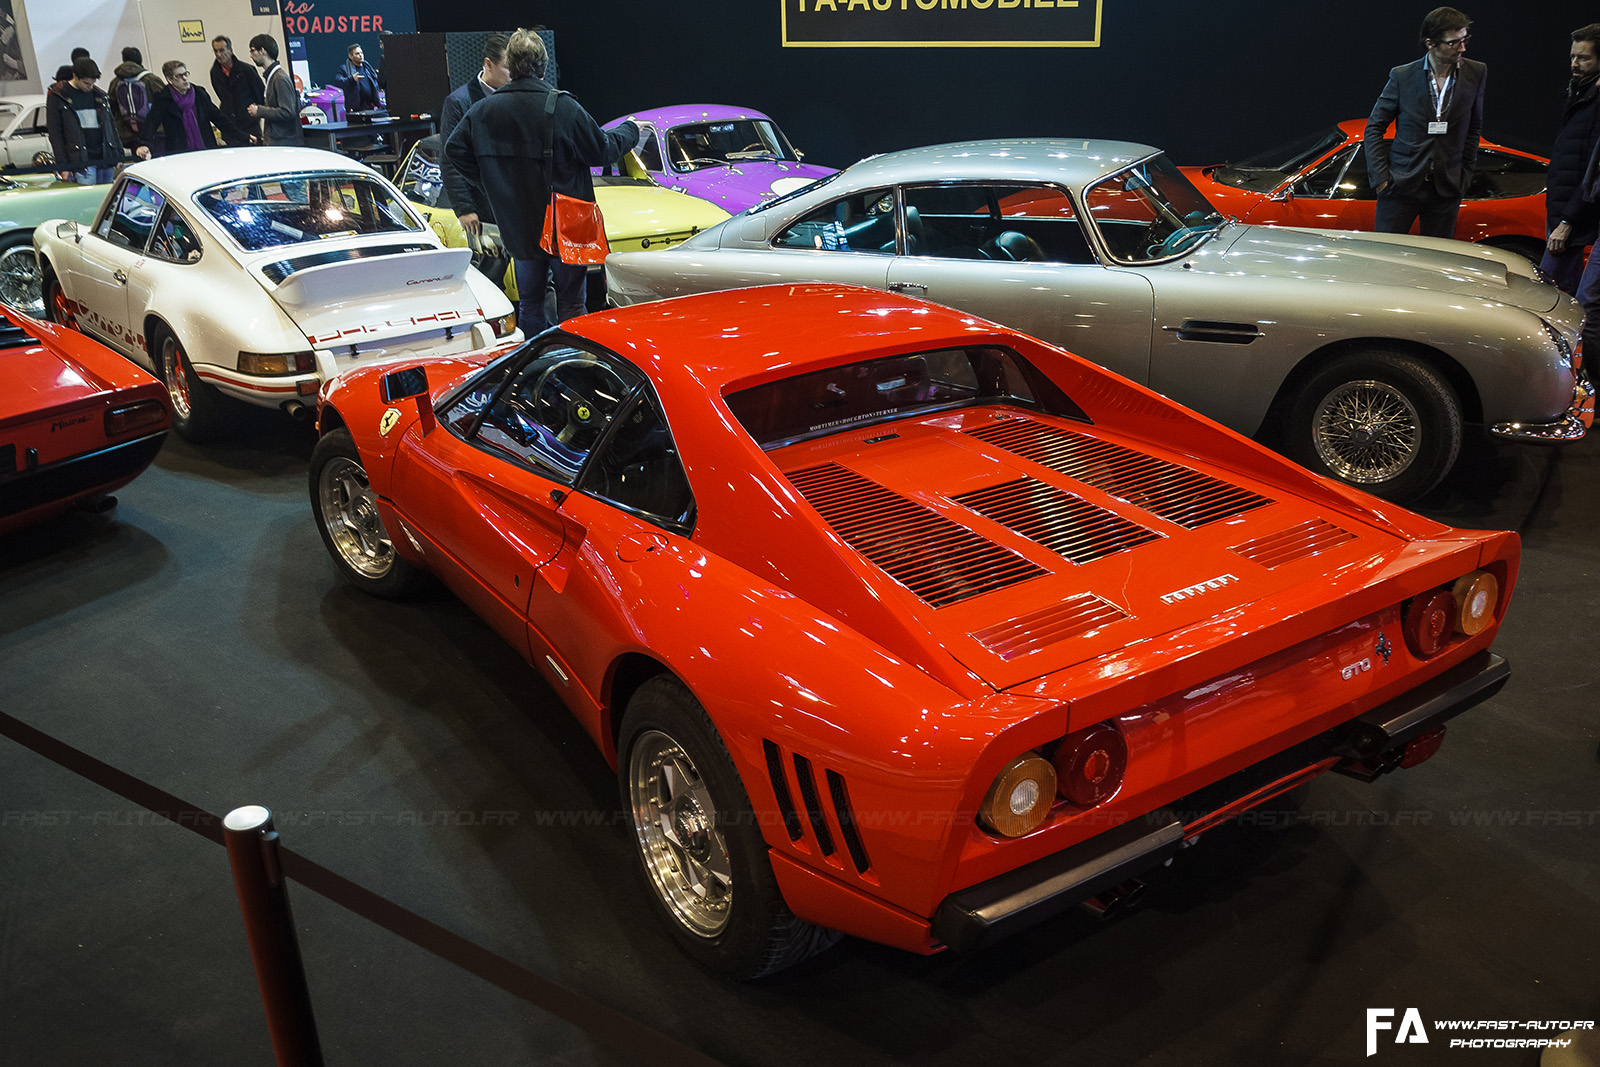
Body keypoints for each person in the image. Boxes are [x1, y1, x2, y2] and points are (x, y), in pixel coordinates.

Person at [444, 29, 639, 335]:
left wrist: (489, 185)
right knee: (573, 305)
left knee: (530, 305)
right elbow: (602, 149)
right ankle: (572, 372)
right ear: (543, 65)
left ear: (513, 63)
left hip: (519, 226)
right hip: (565, 228)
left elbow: (454, 150)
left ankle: (538, 373)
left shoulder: (483, 110)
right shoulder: (563, 106)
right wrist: (631, 130)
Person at [1365, 7, 1487, 239]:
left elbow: (1474, 129)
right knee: (1386, 256)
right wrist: (1381, 179)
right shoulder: (1402, 76)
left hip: (1446, 189)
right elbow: (1374, 128)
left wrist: (1463, 178)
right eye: (1454, 42)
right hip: (1401, 186)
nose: (1463, 47)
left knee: (1437, 261)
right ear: (1431, 43)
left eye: (1465, 39)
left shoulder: (1477, 72)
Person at [1542, 25, 1600, 295]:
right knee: (1564, 294)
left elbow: (1592, 172)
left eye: (1583, 58)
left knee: (1550, 293)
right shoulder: (1577, 93)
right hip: (1561, 209)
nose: (1574, 64)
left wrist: (1568, 221)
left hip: (1572, 217)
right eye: (1572, 57)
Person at [438, 34, 510, 216]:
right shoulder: (459, 102)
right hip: (482, 205)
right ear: (488, 64)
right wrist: (465, 209)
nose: (514, 74)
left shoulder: (515, 97)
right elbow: (450, 159)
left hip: (513, 202)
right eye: (508, 67)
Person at [46, 56, 148, 184]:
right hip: (81, 161)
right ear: (75, 76)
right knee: (89, 200)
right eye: (86, 83)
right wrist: (63, 165)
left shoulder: (100, 96)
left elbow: (111, 126)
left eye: (93, 83)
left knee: (107, 198)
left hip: (104, 158)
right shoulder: (59, 96)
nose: (90, 87)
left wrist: (118, 154)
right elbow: (55, 134)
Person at [141, 60, 244, 155]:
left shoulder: (199, 94)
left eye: (186, 74)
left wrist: (243, 136)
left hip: (206, 148)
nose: (185, 78)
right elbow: (152, 121)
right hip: (179, 152)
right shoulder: (163, 99)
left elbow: (219, 118)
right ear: (170, 79)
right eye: (179, 76)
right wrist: (145, 144)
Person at [246, 34, 304, 146]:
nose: (251, 55)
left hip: (284, 142)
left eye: (253, 51)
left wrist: (259, 110)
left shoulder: (279, 79)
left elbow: (288, 112)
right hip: (278, 141)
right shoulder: (273, 77)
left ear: (263, 51)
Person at [210, 36, 263, 145]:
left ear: (230, 51)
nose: (218, 54)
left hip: (249, 124)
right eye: (216, 51)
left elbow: (260, 94)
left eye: (222, 50)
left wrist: (254, 114)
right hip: (230, 126)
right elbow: (223, 97)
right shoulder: (215, 73)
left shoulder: (247, 70)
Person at [109, 46, 164, 147]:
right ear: (140, 59)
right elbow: (165, 103)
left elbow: (112, 107)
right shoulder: (151, 79)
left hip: (128, 135)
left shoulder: (115, 82)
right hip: (155, 133)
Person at [334, 43, 380, 113]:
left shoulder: (367, 67)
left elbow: (374, 84)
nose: (360, 55)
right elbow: (338, 81)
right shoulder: (344, 69)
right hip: (355, 108)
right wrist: (352, 79)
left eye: (361, 53)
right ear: (351, 56)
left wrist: (375, 101)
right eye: (357, 54)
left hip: (369, 106)